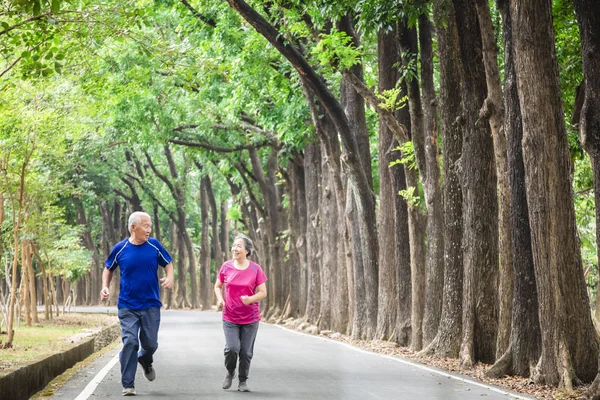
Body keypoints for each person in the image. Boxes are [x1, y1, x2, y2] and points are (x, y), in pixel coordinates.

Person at [101, 211, 174, 396]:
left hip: (151, 305)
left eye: (150, 225)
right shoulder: (120, 248)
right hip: (127, 306)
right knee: (130, 342)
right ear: (133, 227)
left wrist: (170, 277)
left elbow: (168, 263)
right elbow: (108, 268)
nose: (149, 229)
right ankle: (128, 384)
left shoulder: (154, 246)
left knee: (150, 344)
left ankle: (144, 359)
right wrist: (105, 287)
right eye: (146, 225)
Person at [214, 234, 267, 392]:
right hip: (230, 316)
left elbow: (263, 292)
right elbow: (218, 286)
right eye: (234, 245)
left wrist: (250, 299)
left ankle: (243, 381)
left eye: (238, 246)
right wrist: (220, 299)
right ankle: (230, 372)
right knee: (232, 348)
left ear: (247, 251)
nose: (234, 249)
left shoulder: (255, 269)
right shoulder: (226, 266)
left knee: (246, 352)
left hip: (250, 318)